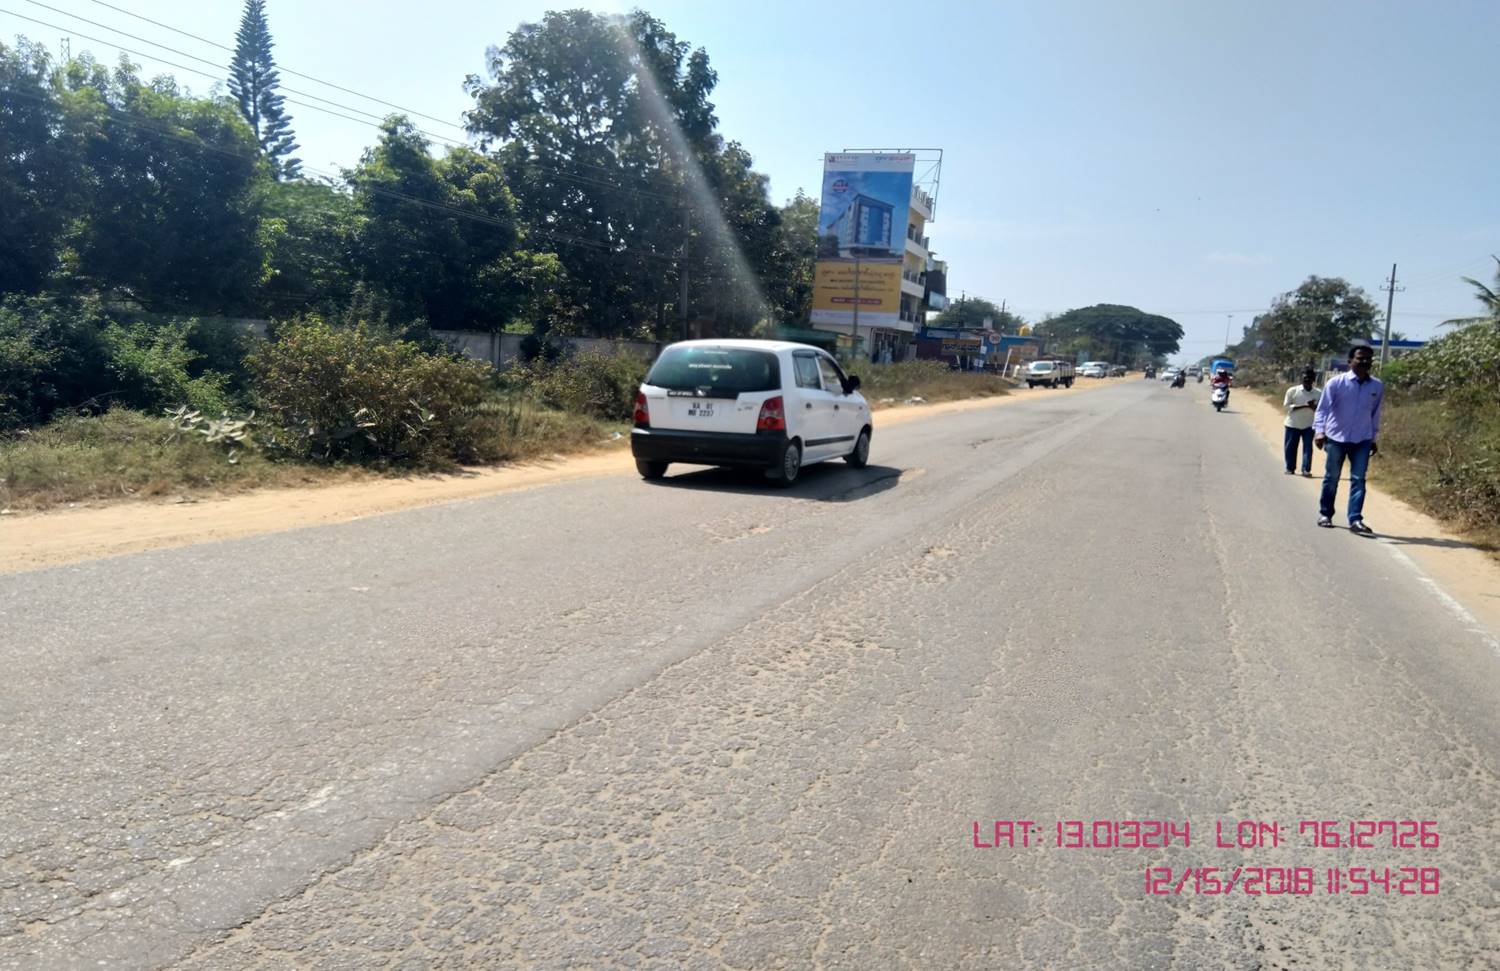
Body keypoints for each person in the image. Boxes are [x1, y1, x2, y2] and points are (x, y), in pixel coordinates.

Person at [1313, 345, 1383, 534]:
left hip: (1362, 439)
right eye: (1360, 358)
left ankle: (1355, 520)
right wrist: (1319, 432)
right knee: (1331, 478)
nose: (1365, 362)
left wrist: (1373, 437)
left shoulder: (1377, 386)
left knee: (1359, 480)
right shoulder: (1336, 383)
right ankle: (1325, 514)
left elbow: (1375, 414)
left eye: (1368, 359)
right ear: (1350, 361)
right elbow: (1323, 409)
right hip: (1336, 438)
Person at [1282, 367, 1321, 476]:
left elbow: (1321, 410)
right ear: (1301, 378)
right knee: (1290, 447)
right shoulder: (1292, 391)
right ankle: (1290, 468)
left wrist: (1313, 407)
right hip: (1292, 424)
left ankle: (1306, 469)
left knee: (1308, 448)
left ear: (1314, 379)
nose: (1307, 380)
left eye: (1310, 378)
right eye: (1305, 378)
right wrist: (1304, 405)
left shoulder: (1318, 393)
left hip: (1309, 425)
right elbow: (1286, 407)